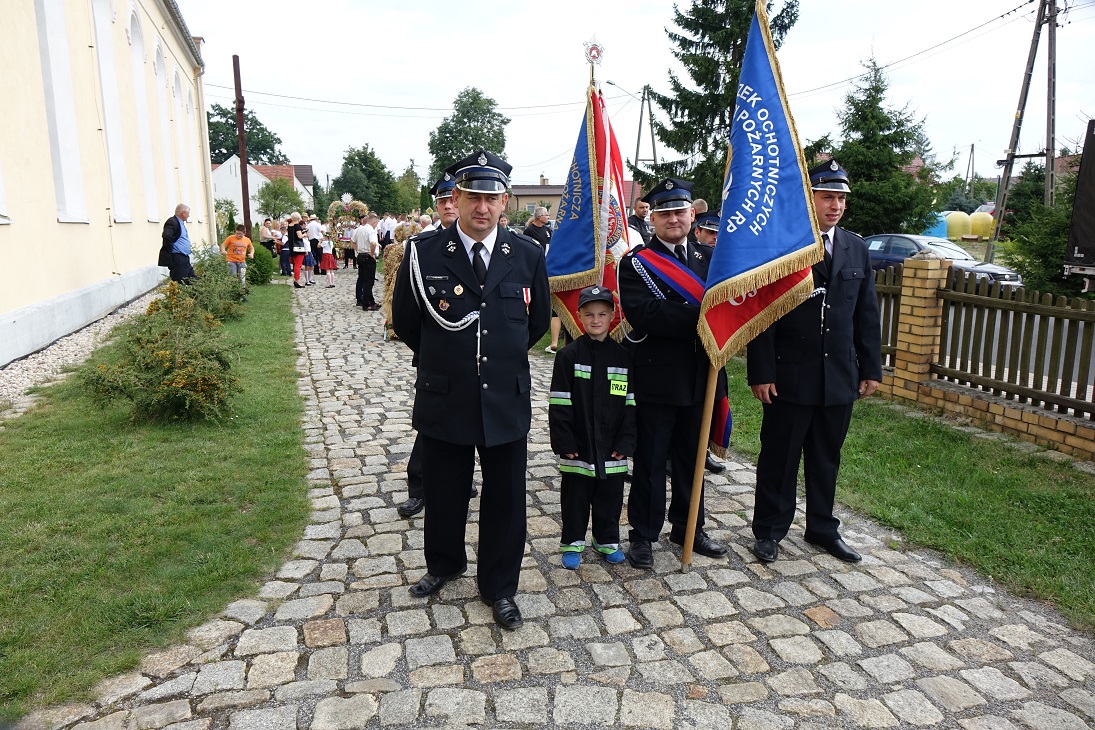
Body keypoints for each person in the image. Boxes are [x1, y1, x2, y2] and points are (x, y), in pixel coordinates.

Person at [392, 149, 550, 630]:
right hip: (446, 394)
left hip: (505, 396)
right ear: (455, 198)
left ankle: (499, 587)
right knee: (444, 491)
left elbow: (537, 322)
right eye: (473, 197)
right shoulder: (423, 253)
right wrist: (449, 361)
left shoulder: (526, 254)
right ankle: (443, 565)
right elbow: (406, 322)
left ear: (505, 202)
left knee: (506, 498)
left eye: (492, 198)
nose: (482, 208)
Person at [747, 160, 882, 565]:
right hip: (790, 374)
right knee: (779, 458)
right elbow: (763, 314)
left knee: (826, 458)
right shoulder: (785, 246)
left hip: (839, 376)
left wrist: (871, 368)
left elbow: (866, 314)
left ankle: (822, 528)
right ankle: (769, 530)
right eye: (828, 197)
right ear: (810, 198)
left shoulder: (856, 247)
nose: (836, 205)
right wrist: (762, 371)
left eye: (841, 198)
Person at [617, 178, 729, 569]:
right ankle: (643, 536)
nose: (673, 219)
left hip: (702, 376)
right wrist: (704, 317)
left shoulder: (713, 259)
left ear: (691, 214)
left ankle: (689, 529)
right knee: (650, 462)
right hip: (657, 379)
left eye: (679, 212)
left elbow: (729, 310)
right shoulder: (635, 264)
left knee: (692, 459)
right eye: (664, 213)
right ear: (654, 219)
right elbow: (646, 314)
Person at [549, 285, 636, 569]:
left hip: (612, 449)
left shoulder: (623, 358)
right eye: (589, 315)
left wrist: (626, 441)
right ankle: (573, 542)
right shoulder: (568, 356)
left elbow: (629, 403)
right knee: (575, 499)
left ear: (612, 315)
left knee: (610, 499)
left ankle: (607, 540)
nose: (596, 320)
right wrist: (564, 442)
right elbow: (560, 403)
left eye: (602, 313)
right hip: (579, 446)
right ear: (579, 317)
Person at [397, 173, 463, 519]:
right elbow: (407, 312)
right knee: (431, 422)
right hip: (435, 355)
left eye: (454, 199)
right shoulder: (421, 247)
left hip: (478, 356)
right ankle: (419, 486)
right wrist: (430, 349)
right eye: (443, 201)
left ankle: (463, 480)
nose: (449, 206)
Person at [158, 203, 195, 282]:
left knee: (193, 279)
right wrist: (171, 249)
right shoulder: (172, 222)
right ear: (183, 213)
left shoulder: (180, 223)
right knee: (180, 281)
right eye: (188, 214)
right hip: (177, 257)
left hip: (184, 257)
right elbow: (166, 236)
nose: (189, 216)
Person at [353, 212, 380, 311]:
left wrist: (357, 250)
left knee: (363, 278)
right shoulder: (371, 231)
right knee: (369, 281)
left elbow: (353, 241)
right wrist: (372, 253)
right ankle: (366, 304)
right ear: (374, 222)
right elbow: (372, 243)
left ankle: (371, 301)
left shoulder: (359, 229)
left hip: (360, 255)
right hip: (368, 256)